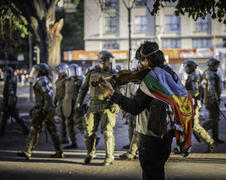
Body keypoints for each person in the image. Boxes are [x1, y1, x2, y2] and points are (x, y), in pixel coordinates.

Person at [98, 41, 193, 180]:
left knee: (151, 174)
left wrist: (111, 92)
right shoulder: (170, 73)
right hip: (165, 136)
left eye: (140, 62)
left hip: (150, 139)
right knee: (158, 171)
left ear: (147, 60)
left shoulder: (151, 80)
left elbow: (134, 107)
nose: (138, 67)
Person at [75, 50, 119, 166]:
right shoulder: (91, 73)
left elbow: (120, 90)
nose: (110, 64)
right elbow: (83, 89)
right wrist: (79, 102)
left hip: (107, 105)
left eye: (111, 62)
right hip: (93, 105)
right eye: (108, 62)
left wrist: (116, 104)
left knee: (107, 132)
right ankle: (90, 153)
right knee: (88, 132)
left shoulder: (115, 73)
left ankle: (109, 157)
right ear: (102, 61)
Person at [17, 63, 63, 159]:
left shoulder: (42, 80)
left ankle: (28, 151)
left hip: (43, 109)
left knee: (35, 130)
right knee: (51, 131)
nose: (34, 73)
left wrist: (45, 109)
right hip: (46, 109)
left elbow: (48, 95)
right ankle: (59, 152)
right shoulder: (45, 80)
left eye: (36, 71)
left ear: (40, 72)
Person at [183, 59, 215, 153]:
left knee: (195, 126)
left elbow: (195, 92)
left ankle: (211, 142)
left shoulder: (194, 77)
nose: (185, 68)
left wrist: (184, 94)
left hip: (193, 104)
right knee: (188, 126)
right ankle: (184, 147)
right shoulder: (192, 76)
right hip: (190, 104)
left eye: (187, 67)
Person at [202, 58, 225, 144]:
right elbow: (211, 89)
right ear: (211, 66)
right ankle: (201, 129)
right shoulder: (210, 74)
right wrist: (216, 99)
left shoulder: (209, 73)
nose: (217, 67)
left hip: (210, 100)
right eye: (215, 65)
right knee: (214, 120)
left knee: (215, 119)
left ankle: (215, 138)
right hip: (211, 100)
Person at [0, 66, 29, 136]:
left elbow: (10, 93)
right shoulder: (10, 79)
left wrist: (7, 104)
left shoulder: (10, 80)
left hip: (10, 103)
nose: (5, 73)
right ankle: (25, 129)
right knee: (13, 117)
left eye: (6, 72)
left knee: (7, 117)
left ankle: (1, 131)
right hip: (10, 103)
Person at [62, 64, 84, 149]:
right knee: (68, 124)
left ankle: (92, 139)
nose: (74, 73)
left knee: (79, 124)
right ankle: (73, 142)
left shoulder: (81, 80)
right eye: (72, 71)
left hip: (76, 105)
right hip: (68, 105)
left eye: (75, 70)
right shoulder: (67, 80)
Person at [54, 63, 69, 144]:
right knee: (62, 121)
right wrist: (54, 103)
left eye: (64, 70)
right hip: (60, 103)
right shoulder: (57, 81)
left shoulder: (68, 80)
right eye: (61, 70)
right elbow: (57, 93)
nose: (63, 72)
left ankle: (67, 137)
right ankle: (63, 137)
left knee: (69, 121)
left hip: (67, 102)